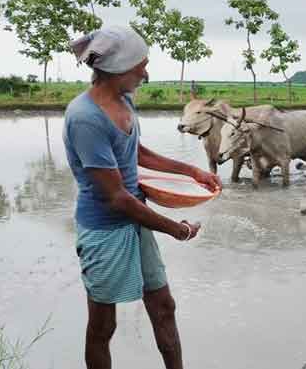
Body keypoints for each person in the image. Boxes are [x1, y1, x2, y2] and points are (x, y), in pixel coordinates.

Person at [64, 26, 221, 369]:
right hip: (105, 231)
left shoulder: (124, 100)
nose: (145, 74)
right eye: (141, 66)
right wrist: (177, 229)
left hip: (137, 221)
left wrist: (190, 171)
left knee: (164, 307)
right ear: (119, 68)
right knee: (103, 326)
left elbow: (134, 150)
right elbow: (117, 199)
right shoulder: (85, 119)